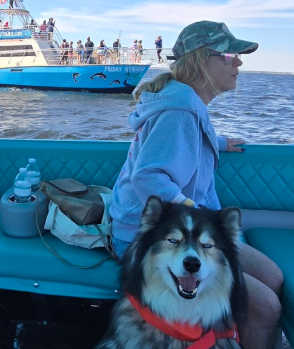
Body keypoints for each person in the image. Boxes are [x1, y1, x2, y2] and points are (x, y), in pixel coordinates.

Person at [109, 21, 283, 349]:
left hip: (190, 230)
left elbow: (181, 143)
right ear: (202, 61)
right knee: (265, 306)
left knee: (273, 277)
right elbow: (147, 177)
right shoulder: (180, 109)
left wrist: (216, 142)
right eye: (230, 55)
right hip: (147, 236)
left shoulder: (186, 104)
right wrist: (193, 211)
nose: (239, 63)